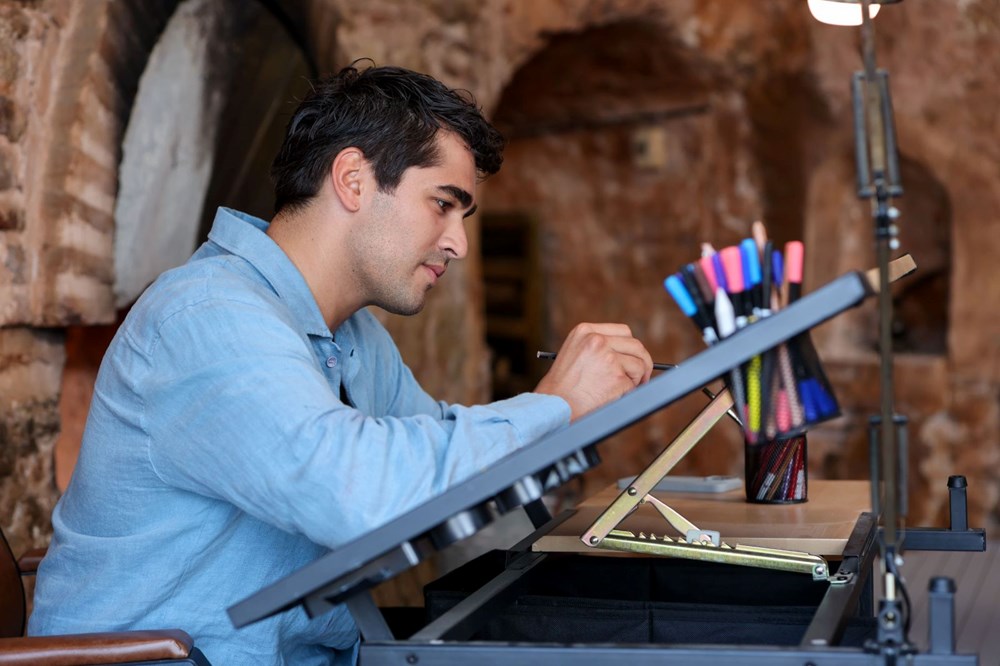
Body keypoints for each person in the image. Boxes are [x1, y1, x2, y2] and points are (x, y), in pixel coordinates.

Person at [29, 62, 653, 664]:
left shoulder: (352, 336)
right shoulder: (206, 317)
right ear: (352, 179)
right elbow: (360, 495)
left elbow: (432, 466)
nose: (458, 243)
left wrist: (575, 441)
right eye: (443, 203)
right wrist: (557, 405)